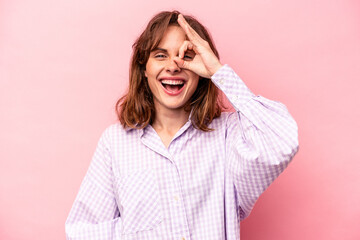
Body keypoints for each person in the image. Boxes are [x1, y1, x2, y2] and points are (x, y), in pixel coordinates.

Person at [65, 10, 299, 240]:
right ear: (143, 69)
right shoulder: (115, 143)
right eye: (160, 55)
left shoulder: (228, 135)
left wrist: (218, 71)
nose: (174, 66)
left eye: (186, 56)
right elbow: (83, 232)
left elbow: (282, 142)